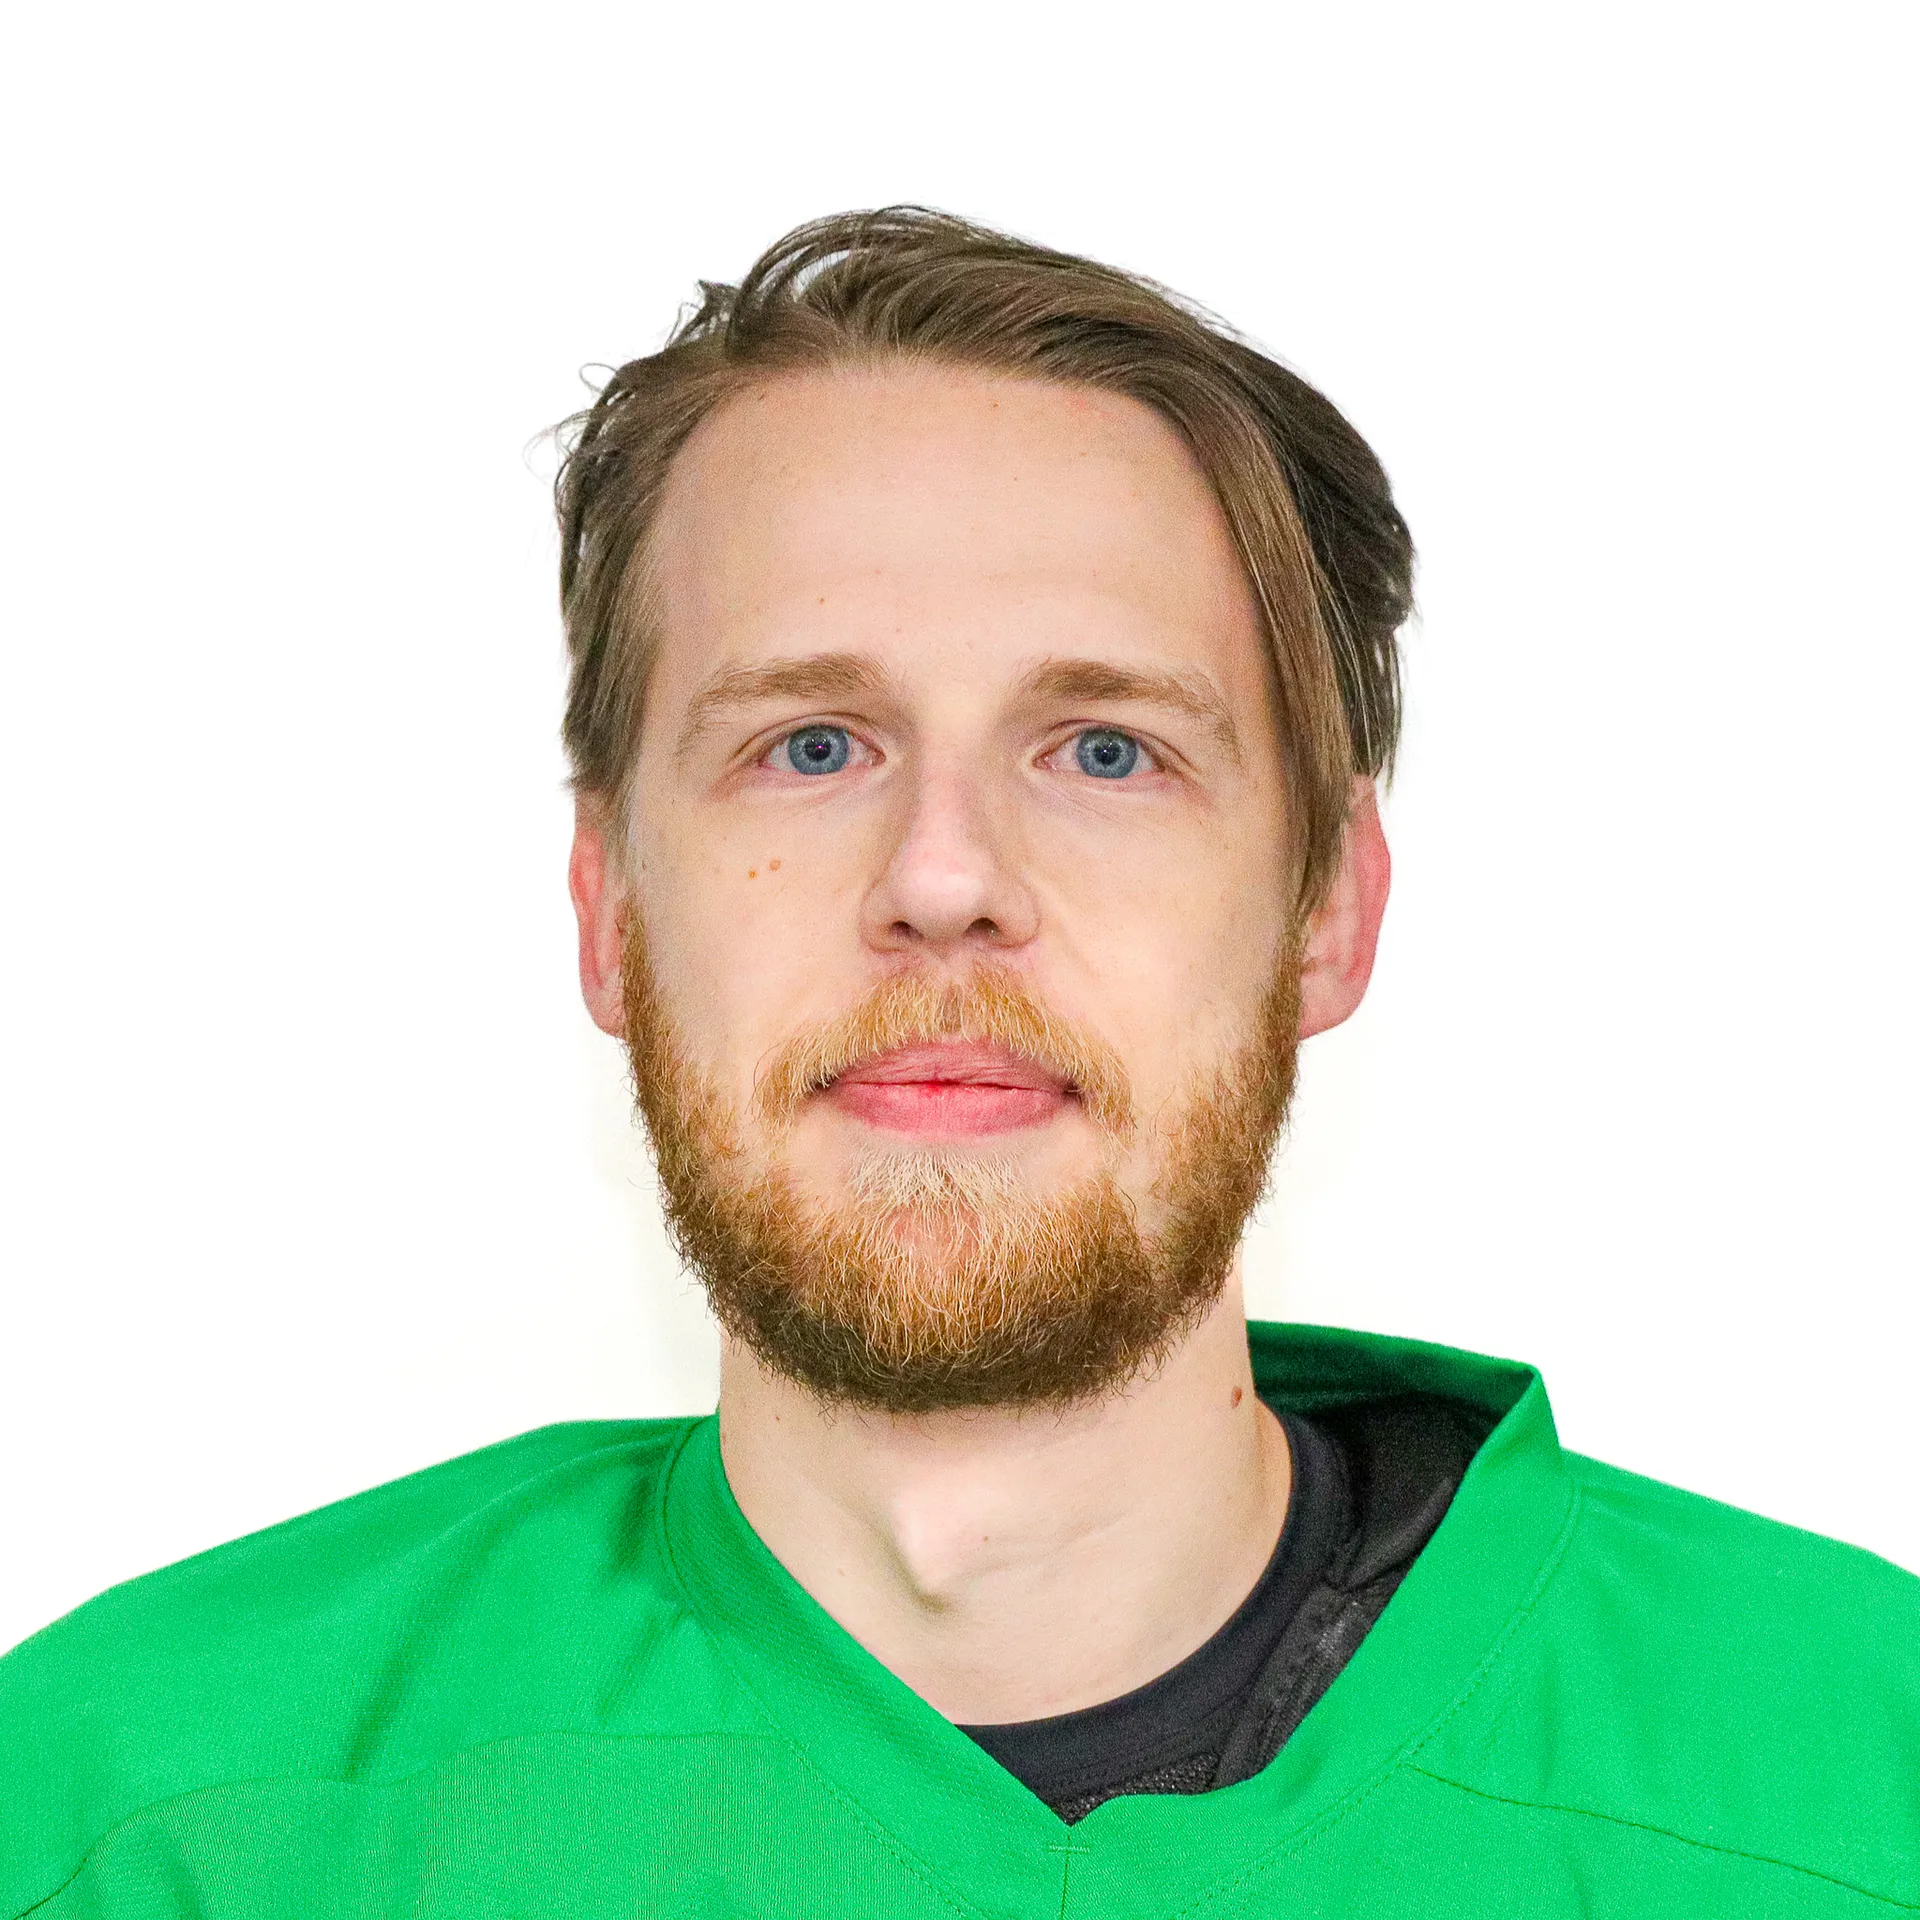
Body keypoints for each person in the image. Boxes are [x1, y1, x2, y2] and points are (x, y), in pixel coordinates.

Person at [4, 208, 1915, 1919]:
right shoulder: (130, 1823)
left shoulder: (1860, 1786)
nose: (940, 881)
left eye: (1106, 750)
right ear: (610, 910)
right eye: (810, 746)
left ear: (1328, 911)